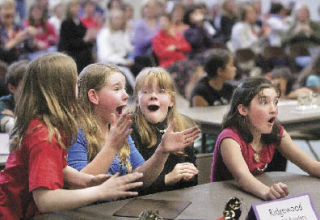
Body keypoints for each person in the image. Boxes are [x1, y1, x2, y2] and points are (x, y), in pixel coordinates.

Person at [0, 53, 143, 219]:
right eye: (75, 83)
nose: (78, 89)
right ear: (62, 89)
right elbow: (45, 200)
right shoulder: (44, 136)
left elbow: (57, 166)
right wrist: (99, 191)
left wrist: (87, 181)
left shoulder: (47, 124)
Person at [67, 63, 200, 189]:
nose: (126, 95)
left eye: (124, 89)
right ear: (94, 96)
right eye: (117, 89)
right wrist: (112, 147)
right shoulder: (75, 133)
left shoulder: (120, 130)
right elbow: (79, 185)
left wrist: (161, 152)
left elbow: (141, 179)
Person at [211, 76, 320, 200]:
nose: (273, 109)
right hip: (225, 201)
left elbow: (310, 165)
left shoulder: (276, 132)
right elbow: (243, 178)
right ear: (243, 109)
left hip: (251, 196)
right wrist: (267, 192)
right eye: (264, 102)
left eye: (275, 102)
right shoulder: (230, 139)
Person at [131, 67, 198, 195]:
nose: (153, 96)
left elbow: (193, 182)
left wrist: (188, 175)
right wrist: (167, 179)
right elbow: (133, 187)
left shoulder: (182, 126)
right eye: (146, 91)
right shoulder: (130, 130)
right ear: (136, 100)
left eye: (161, 91)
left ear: (171, 100)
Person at [58, 0, 96, 73]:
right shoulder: (66, 23)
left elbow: (86, 37)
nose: (77, 8)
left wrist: (90, 38)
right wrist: (84, 40)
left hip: (81, 51)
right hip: (72, 53)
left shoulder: (79, 22)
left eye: (77, 6)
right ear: (68, 8)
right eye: (74, 6)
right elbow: (68, 43)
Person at [0, 60, 28, 133]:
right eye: (26, 85)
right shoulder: (4, 103)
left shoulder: (40, 102)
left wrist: (16, 118)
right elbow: (9, 126)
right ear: (12, 88)